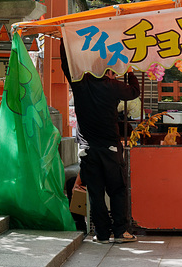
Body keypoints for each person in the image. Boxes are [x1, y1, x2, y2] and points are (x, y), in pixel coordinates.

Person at [60, 40, 140, 244]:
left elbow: (65, 64)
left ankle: (102, 233)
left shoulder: (79, 84)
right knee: (117, 190)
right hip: (110, 148)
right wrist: (129, 70)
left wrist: (64, 38)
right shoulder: (112, 86)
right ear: (108, 72)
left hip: (87, 149)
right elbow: (134, 92)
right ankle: (121, 231)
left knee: (95, 193)